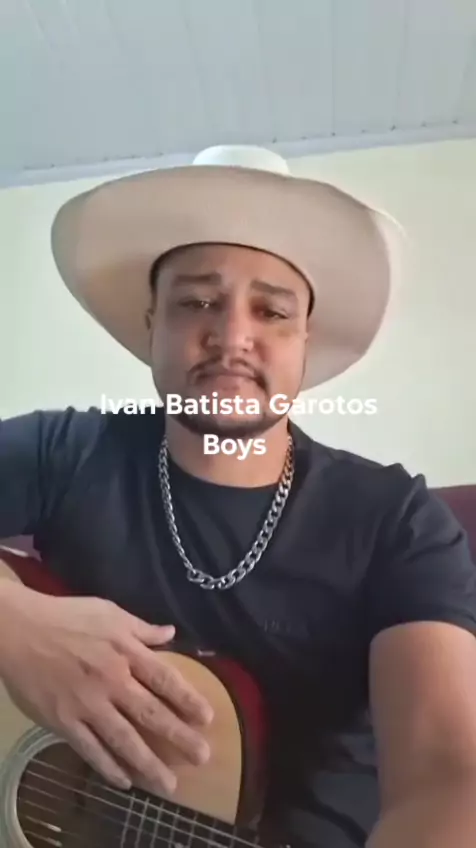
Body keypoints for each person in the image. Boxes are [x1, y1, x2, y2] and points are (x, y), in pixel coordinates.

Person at [1, 145, 476, 848]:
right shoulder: (64, 451)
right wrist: (15, 624)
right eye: (196, 302)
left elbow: (446, 777)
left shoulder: (398, 522)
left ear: (306, 340)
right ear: (151, 326)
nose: (231, 337)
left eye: (272, 311)